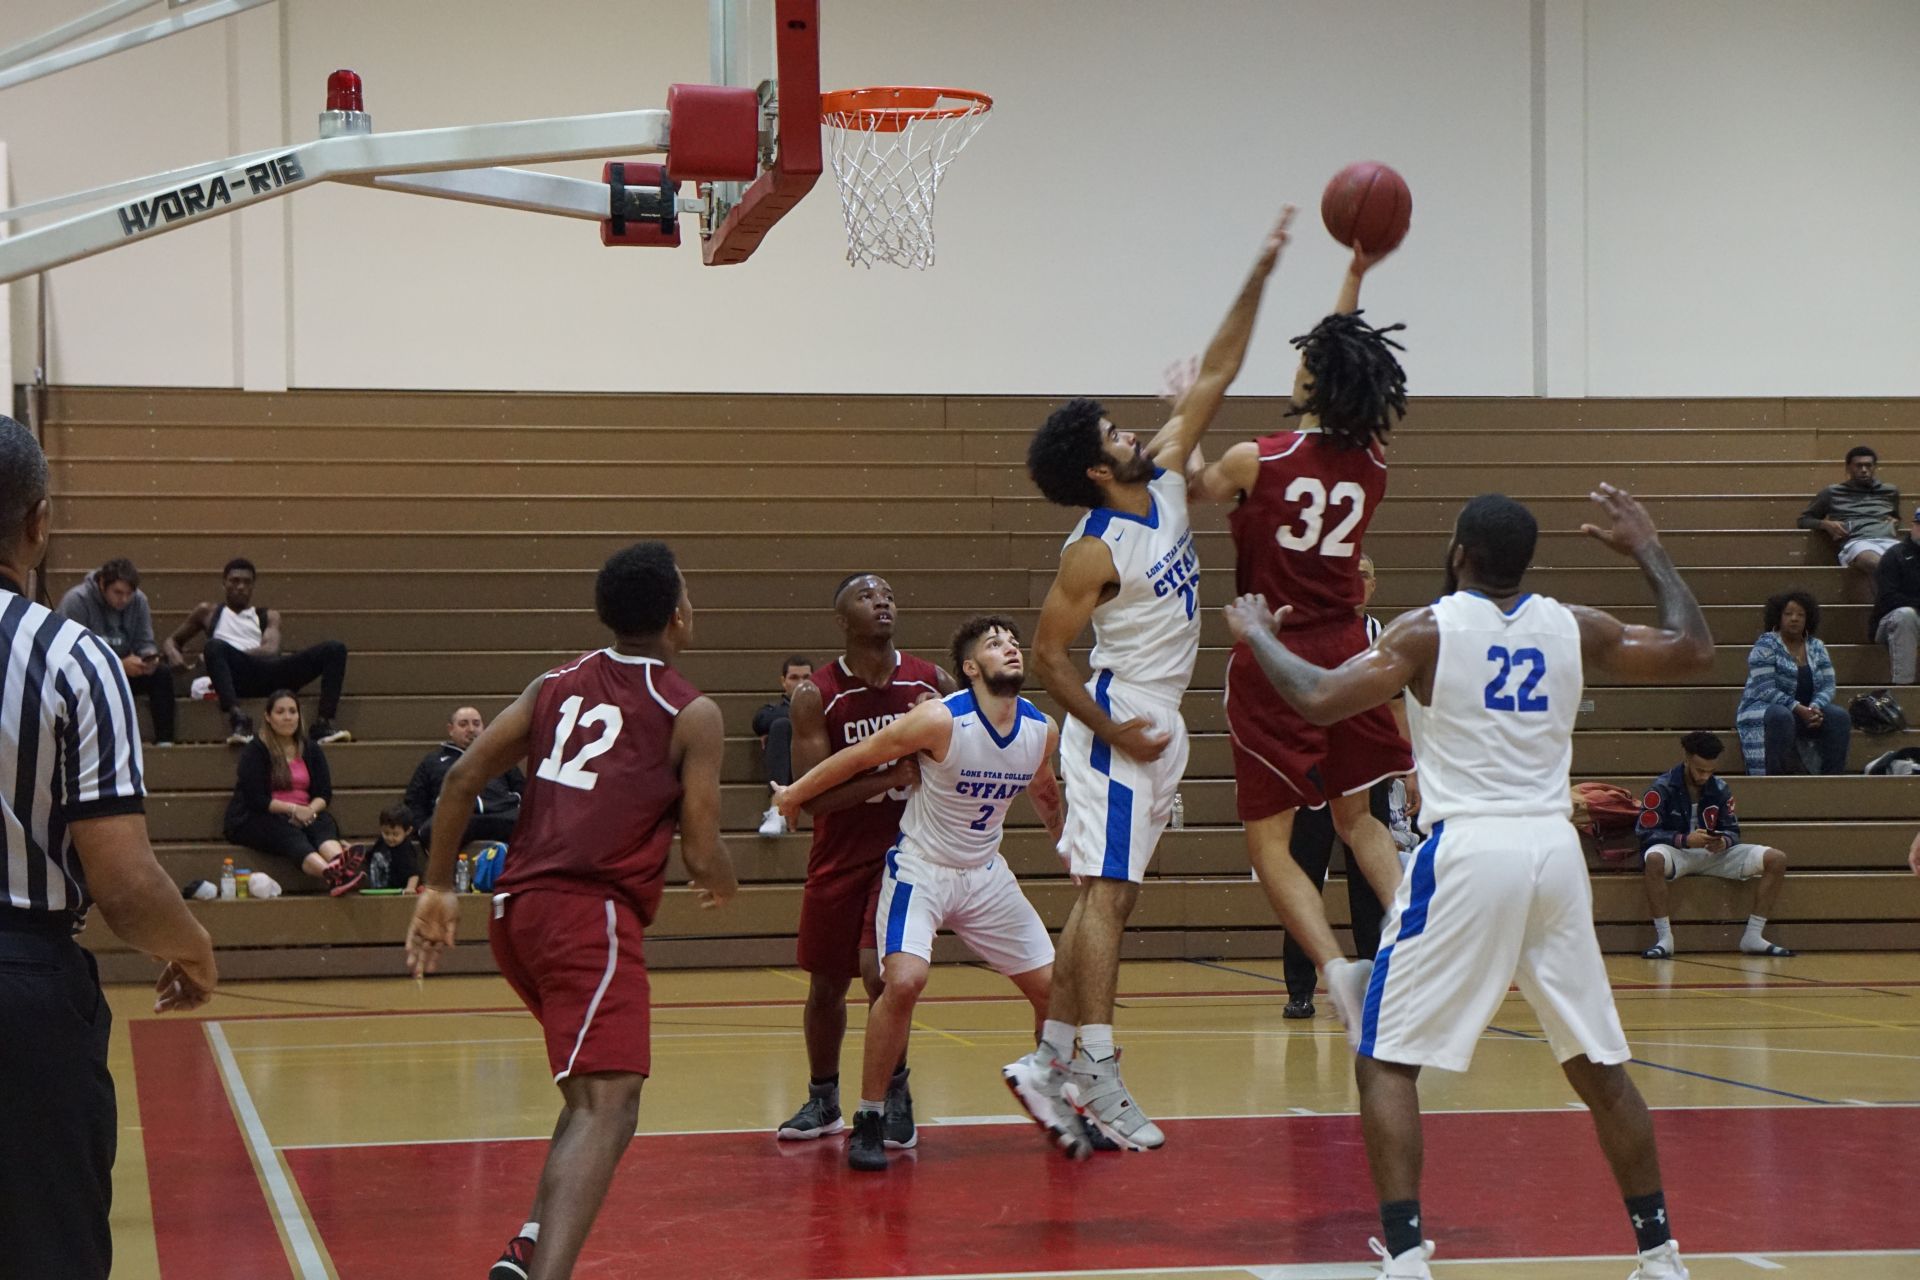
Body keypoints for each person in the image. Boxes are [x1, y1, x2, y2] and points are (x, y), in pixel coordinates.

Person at [1221, 486, 1709, 1280]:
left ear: (1459, 554)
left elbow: (1315, 696)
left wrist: (1256, 637)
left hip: (1470, 849)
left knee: (1384, 1058)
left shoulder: (1427, 631)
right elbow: (1693, 647)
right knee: (1596, 1062)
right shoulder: (1576, 624)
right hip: (1554, 852)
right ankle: (1660, 1253)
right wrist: (1647, 547)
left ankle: (1405, 1255)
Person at [1003, 205, 1297, 1158]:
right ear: (1098, 468)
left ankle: (1050, 1059)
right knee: (1108, 897)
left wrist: (1260, 270)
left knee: (1107, 896)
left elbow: (1217, 370)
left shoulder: (1166, 476)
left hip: (1157, 719)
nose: (1134, 431)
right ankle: (1095, 1066)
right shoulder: (1091, 550)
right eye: (1115, 432)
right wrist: (1111, 731)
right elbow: (1047, 658)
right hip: (1120, 716)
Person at [405, 540, 738, 1280]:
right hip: (588, 914)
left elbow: (460, 780)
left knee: (592, 1092)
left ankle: (530, 1246)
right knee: (609, 1105)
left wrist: (438, 887)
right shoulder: (691, 711)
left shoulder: (553, 682)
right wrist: (726, 880)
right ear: (678, 616)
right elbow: (700, 850)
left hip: (516, 914)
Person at [0, 415, 217, 1280]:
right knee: (46, 1248)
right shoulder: (72, 658)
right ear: (39, 522)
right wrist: (192, 948)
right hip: (22, 990)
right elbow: (123, 884)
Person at [1187, 236, 1414, 1044]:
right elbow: (1341, 345)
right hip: (1351, 652)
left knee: (1271, 842)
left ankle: (1334, 968)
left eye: (1307, 361)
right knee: (1360, 819)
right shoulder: (1373, 464)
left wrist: (1190, 410)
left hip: (1277, 654)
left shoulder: (1257, 460)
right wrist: (1353, 272)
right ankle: (1418, 930)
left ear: (1315, 381)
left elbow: (1192, 485)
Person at [776, 616, 1065, 1172]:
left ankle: (1054, 1097)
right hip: (923, 869)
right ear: (970, 668)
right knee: (903, 981)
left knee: (1056, 992)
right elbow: (859, 756)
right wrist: (793, 794)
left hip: (985, 874)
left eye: (1014, 641)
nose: (1011, 648)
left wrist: (1066, 844)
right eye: (995, 644)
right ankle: (870, 1115)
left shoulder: (1041, 729)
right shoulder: (939, 719)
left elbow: (1044, 787)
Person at [775, 575, 954, 1149]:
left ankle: (893, 1094)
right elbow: (813, 797)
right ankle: (822, 1098)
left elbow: (963, 760)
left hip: (906, 856)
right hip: (838, 856)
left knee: (882, 977)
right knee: (826, 986)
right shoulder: (817, 695)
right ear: (841, 619)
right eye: (866, 595)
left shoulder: (931, 683)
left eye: (889, 594)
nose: (882, 601)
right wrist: (890, 775)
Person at [1279, 554, 1400, 1018]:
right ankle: (1300, 988)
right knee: (1304, 870)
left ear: (1374, 585)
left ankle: (1375, 979)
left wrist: (1408, 769)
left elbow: (1396, 707)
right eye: (1350, 574)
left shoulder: (1383, 635)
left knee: (1369, 878)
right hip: (1313, 768)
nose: (1357, 582)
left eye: (1365, 574)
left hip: (1366, 767)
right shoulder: (1310, 631)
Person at [1638, 731, 1794, 960]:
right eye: (1700, 770)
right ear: (1686, 758)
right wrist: (1684, 839)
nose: (1705, 776)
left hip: (1712, 854)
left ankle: (1753, 935)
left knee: (1776, 859)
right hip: (1677, 852)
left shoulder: (1720, 788)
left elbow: (1732, 830)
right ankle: (1664, 938)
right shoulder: (1660, 788)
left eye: (1710, 771)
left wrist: (1723, 841)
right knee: (1653, 859)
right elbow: (1645, 833)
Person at [163, 557, 352, 746]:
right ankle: (238, 719)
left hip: (270, 673)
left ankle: (323, 723)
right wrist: (173, 654)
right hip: (235, 679)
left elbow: (271, 650)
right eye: (234, 581)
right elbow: (172, 640)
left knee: (335, 649)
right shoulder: (208, 612)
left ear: (253, 586)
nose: (240, 587)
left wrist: (231, 656)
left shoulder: (268, 615)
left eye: (247, 582)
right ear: (224, 583)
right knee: (214, 646)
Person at [223, 689, 364, 895]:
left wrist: (309, 810)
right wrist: (294, 810)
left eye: (292, 711)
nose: (287, 717)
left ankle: (339, 862)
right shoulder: (256, 750)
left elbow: (324, 793)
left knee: (322, 823)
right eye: (280, 712)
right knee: (287, 831)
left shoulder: (311, 749)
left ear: (299, 715)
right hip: (262, 815)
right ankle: (330, 873)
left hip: (305, 811)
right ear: (268, 717)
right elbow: (256, 799)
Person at [55, 556, 177, 745]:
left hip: (126, 669)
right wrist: (118, 665)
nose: (124, 599)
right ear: (102, 583)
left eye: (129, 593)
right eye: (118, 592)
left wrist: (148, 657)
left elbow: (145, 641)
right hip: (89, 673)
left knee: (161, 674)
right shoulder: (77, 600)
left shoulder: (139, 600)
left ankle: (165, 742)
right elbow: (71, 655)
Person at [1734, 590, 1850, 775]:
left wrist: (1814, 707)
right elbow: (1765, 689)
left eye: (1800, 615)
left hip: (1806, 710)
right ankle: (1776, 779)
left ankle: (1831, 778)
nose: (1794, 619)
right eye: (1788, 614)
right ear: (1778, 617)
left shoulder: (1817, 646)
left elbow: (1828, 685)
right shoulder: (1766, 645)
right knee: (1781, 716)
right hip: (1764, 709)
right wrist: (1798, 708)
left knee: (1839, 716)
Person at [402, 705, 525, 846]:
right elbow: (414, 801)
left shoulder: (500, 756)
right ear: (451, 729)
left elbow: (524, 790)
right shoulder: (432, 762)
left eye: (476, 724)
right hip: (457, 820)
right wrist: (420, 829)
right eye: (463, 724)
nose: (471, 729)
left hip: (501, 817)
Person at [1798, 445, 1899, 576]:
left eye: (1868, 465)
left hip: (1889, 540)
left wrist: (1896, 521)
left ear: (1875, 467)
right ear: (1848, 468)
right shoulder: (1832, 492)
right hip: (1858, 542)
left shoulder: (1889, 491)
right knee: (1871, 562)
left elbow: (1895, 516)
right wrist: (1825, 524)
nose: (1864, 470)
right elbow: (1804, 520)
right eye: (1858, 466)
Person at [754, 654, 812, 836]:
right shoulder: (772, 711)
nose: (800, 683)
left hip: (820, 762)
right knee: (780, 726)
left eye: (806, 677)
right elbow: (759, 722)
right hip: (790, 768)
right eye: (794, 678)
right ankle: (776, 810)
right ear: (783, 682)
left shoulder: (829, 706)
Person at [1868, 507, 1920, 684]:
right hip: (1890, 622)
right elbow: (1888, 598)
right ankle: (1903, 687)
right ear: (1913, 526)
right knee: (1906, 615)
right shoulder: (1895, 555)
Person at [363, 804, 425, 892]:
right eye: (386, 833)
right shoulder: (381, 841)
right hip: (379, 890)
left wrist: (410, 888)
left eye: (395, 834)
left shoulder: (406, 850)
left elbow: (414, 873)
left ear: (408, 831)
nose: (390, 838)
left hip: (397, 892)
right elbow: (369, 855)